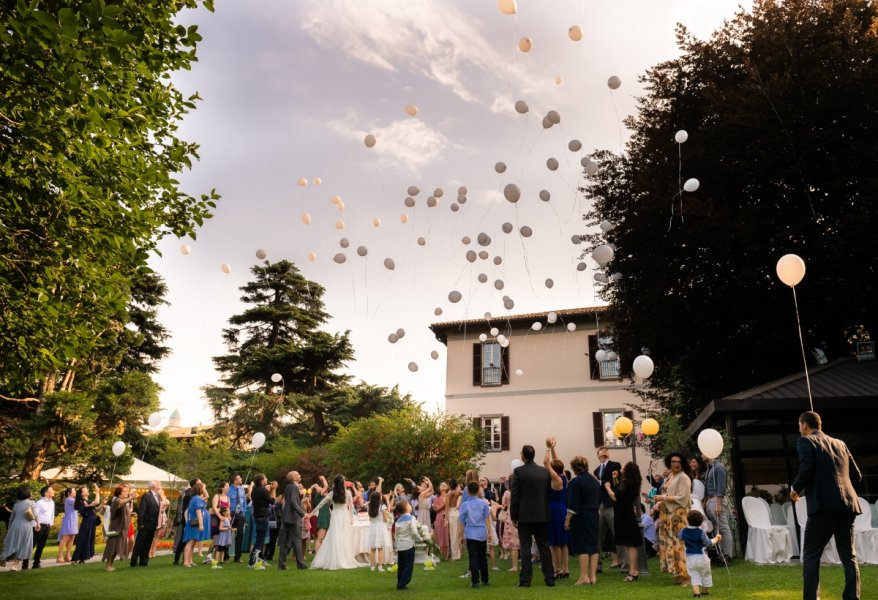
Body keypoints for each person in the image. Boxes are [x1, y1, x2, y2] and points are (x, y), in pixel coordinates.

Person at [790, 411, 862, 600]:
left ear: (804, 425)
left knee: (811, 555)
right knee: (849, 557)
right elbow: (857, 476)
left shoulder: (805, 441)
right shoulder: (841, 443)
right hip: (848, 506)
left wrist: (794, 489)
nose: (799, 429)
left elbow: (806, 469)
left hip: (823, 507)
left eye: (799, 425)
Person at [510, 444, 555, 588]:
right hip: (541, 513)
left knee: (525, 546)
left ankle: (525, 579)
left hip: (525, 515)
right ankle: (549, 578)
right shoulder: (544, 472)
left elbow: (515, 496)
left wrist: (513, 515)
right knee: (544, 546)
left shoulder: (519, 472)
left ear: (523, 456)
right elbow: (548, 494)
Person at [309, 474, 360, 570]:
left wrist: (311, 513)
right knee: (341, 536)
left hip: (336, 515)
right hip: (343, 516)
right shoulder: (347, 493)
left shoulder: (333, 493)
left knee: (335, 536)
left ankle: (336, 558)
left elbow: (321, 504)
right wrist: (351, 518)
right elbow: (351, 507)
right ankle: (341, 558)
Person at [655, 451, 692, 584]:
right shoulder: (670, 476)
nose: (676, 464)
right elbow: (667, 494)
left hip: (679, 515)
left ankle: (686, 576)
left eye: (678, 462)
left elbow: (683, 498)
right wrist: (659, 503)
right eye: (673, 462)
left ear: (682, 464)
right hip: (668, 515)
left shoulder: (684, 478)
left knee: (680, 544)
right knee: (672, 544)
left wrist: (662, 498)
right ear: (669, 463)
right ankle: (678, 573)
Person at [565, 455, 600, 585]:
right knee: (593, 546)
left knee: (583, 547)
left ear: (575, 468)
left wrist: (567, 520)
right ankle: (593, 577)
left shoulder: (576, 482)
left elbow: (572, 505)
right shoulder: (594, 481)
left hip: (582, 516)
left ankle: (584, 576)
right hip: (594, 515)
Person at [605, 461, 643, 582]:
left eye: (623, 467)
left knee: (630, 545)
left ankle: (633, 571)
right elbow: (621, 492)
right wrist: (616, 480)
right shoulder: (632, 482)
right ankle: (633, 570)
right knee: (630, 544)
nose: (621, 468)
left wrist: (607, 487)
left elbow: (616, 497)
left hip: (624, 515)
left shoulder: (626, 482)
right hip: (627, 514)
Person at [543, 437, 570, 579]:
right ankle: (565, 569)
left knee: (555, 543)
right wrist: (554, 449)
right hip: (563, 509)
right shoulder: (564, 476)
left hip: (554, 510)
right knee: (563, 542)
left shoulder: (556, 479)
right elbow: (556, 462)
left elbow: (546, 462)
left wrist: (548, 447)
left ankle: (557, 569)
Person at [678, 510, 722, 598]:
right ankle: (705, 591)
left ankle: (696, 593)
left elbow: (679, 537)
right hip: (702, 557)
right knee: (705, 573)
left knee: (694, 575)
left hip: (690, 558)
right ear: (700, 522)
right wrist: (717, 539)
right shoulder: (701, 532)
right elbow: (708, 543)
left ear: (688, 520)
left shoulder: (683, 531)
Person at [593, 445, 622, 570]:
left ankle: (624, 564)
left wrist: (598, 481)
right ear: (598, 455)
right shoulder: (596, 470)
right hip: (600, 505)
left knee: (618, 533)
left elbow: (610, 480)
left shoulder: (615, 465)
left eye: (606, 450)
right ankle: (597, 565)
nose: (604, 451)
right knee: (598, 535)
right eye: (601, 450)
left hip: (611, 504)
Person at [459, 480, 491, 588]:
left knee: (473, 557)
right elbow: (487, 519)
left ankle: (475, 581)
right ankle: (485, 579)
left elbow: (462, 521)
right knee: (483, 557)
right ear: (478, 490)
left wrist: (461, 535)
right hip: (481, 533)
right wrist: (490, 532)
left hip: (470, 533)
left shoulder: (465, 505)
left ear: (468, 492)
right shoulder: (483, 503)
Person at [702, 452, 733, 562]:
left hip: (716, 499)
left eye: (703, 452)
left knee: (723, 528)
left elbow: (721, 487)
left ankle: (728, 555)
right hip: (711, 499)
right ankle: (720, 554)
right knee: (716, 528)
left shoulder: (719, 467)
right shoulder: (710, 468)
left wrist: (718, 504)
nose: (701, 454)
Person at [278, 470, 308, 570]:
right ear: (294, 478)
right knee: (297, 541)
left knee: (284, 542)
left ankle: (281, 564)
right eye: (298, 474)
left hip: (286, 517)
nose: (300, 475)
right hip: (293, 518)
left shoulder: (288, 487)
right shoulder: (294, 487)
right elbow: (294, 502)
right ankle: (300, 564)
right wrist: (303, 513)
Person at [2, 486, 36, 571]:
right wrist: (38, 524)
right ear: (27, 493)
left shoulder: (16, 505)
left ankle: (2, 558)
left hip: (14, 526)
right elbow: (35, 515)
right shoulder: (31, 503)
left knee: (12, 544)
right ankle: (15, 565)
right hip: (26, 526)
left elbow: (11, 518)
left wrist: (9, 529)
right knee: (24, 545)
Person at [130, 480, 162, 567]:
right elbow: (142, 510)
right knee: (140, 543)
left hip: (153, 524)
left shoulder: (158, 496)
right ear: (153, 486)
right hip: (145, 523)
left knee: (147, 543)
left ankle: (144, 561)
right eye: (158, 483)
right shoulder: (146, 495)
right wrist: (140, 523)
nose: (160, 485)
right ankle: (134, 561)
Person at [104, 484, 136, 572]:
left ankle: (110, 565)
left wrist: (130, 513)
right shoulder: (117, 500)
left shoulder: (122, 500)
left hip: (120, 528)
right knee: (112, 546)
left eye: (127, 491)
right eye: (124, 491)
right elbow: (120, 504)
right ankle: (108, 566)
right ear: (119, 493)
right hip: (114, 528)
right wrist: (130, 498)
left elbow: (124, 510)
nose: (126, 493)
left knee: (117, 547)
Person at [248, 474, 276, 569]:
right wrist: (273, 490)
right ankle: (252, 562)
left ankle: (261, 559)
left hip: (257, 516)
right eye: (265, 478)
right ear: (261, 480)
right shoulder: (263, 490)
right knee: (260, 540)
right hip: (263, 516)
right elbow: (272, 501)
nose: (267, 480)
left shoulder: (255, 490)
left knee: (259, 539)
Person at [393, 499, 422, 590]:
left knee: (401, 565)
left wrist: (396, 546)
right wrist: (419, 539)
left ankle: (399, 582)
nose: (410, 505)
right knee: (408, 565)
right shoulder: (411, 518)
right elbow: (414, 531)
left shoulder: (397, 521)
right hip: (409, 545)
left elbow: (396, 535)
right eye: (408, 504)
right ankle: (403, 583)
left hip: (400, 546)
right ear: (406, 507)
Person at [26, 485, 55, 569]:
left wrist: (50, 524)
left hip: (47, 526)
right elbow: (34, 515)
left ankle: (36, 563)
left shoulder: (52, 502)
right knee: (32, 545)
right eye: (52, 490)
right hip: (39, 526)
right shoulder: (39, 503)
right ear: (46, 493)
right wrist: (35, 525)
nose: (53, 491)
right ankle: (25, 563)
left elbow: (52, 514)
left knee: (41, 545)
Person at [71, 483, 101, 563]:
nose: (87, 490)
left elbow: (95, 509)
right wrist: (97, 492)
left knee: (88, 539)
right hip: (87, 522)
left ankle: (82, 558)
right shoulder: (83, 501)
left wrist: (103, 504)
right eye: (85, 490)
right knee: (83, 539)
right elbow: (96, 501)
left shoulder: (87, 501)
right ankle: (75, 559)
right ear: (82, 493)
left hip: (91, 521)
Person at [182, 482, 209, 567]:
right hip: (194, 523)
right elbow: (198, 512)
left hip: (192, 523)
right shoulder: (197, 499)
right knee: (190, 542)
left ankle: (190, 560)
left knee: (193, 542)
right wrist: (201, 524)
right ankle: (186, 562)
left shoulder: (194, 498)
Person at [172, 479, 199, 565]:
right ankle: (178, 559)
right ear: (195, 484)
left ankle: (187, 559)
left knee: (191, 540)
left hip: (191, 520)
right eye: (199, 483)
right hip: (187, 521)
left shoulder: (194, 494)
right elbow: (186, 510)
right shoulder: (189, 495)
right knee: (184, 540)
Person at [366, 477, 388, 571]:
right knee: (380, 548)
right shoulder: (382, 507)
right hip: (380, 527)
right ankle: (380, 566)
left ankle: (372, 566)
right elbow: (385, 519)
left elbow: (370, 519)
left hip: (373, 527)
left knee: (372, 548)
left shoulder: (369, 508)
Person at [500, 474, 520, 572]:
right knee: (522, 541)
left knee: (513, 543)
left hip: (510, 517)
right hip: (521, 516)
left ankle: (515, 566)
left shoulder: (507, 493)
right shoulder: (521, 492)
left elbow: (503, 506)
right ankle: (523, 565)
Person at [228, 474, 248, 562]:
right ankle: (225, 556)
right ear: (235, 480)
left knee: (240, 534)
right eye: (239, 478)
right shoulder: (229, 489)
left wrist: (243, 512)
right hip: (231, 513)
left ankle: (237, 557)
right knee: (228, 534)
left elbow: (244, 501)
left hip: (240, 514)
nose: (241, 479)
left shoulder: (242, 489)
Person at [311, 475, 331, 554]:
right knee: (320, 538)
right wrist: (323, 478)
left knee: (325, 538)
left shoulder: (325, 496)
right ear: (316, 491)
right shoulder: (318, 496)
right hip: (323, 518)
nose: (320, 487)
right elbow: (326, 486)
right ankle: (317, 556)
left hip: (327, 517)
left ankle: (322, 555)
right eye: (318, 487)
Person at [58, 487, 78, 563]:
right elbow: (78, 503)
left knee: (72, 538)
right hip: (69, 519)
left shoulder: (73, 500)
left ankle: (67, 556)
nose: (75, 492)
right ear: (69, 493)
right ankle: (59, 556)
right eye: (74, 491)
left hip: (73, 520)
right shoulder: (69, 499)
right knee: (65, 538)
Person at [431, 481, 449, 559]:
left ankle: (449, 554)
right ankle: (441, 554)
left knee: (448, 535)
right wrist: (444, 505)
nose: (443, 486)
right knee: (441, 535)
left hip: (449, 516)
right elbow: (435, 509)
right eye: (441, 485)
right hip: (440, 517)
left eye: (445, 485)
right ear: (439, 488)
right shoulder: (437, 498)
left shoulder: (450, 496)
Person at [446, 479, 462, 561]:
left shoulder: (449, 493)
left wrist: (446, 519)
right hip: (457, 512)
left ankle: (454, 556)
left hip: (451, 513)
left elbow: (447, 507)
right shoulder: (458, 492)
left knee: (453, 535)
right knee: (456, 534)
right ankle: (457, 554)